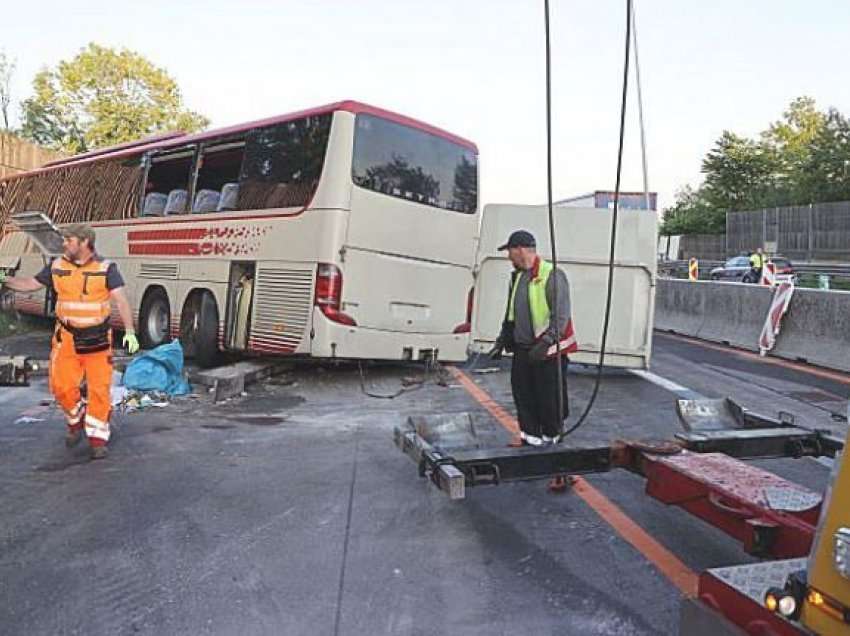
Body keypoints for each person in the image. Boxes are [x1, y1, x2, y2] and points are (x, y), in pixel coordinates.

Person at [0, 224, 139, 460]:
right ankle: (76, 419)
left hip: (97, 339)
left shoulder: (106, 268)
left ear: (84, 242)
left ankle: (97, 440)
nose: (64, 244)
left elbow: (121, 301)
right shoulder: (57, 266)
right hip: (66, 338)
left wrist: (130, 331)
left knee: (98, 389)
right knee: (61, 387)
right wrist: (6, 279)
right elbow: (30, 285)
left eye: (69, 240)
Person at [489, 230, 577, 489]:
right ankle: (531, 443)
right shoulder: (519, 277)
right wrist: (504, 336)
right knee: (523, 398)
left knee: (550, 404)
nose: (508, 257)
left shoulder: (551, 275)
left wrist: (547, 342)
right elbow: (512, 311)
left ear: (521, 249)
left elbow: (561, 317)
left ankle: (555, 458)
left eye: (510, 251)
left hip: (547, 353)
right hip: (524, 350)